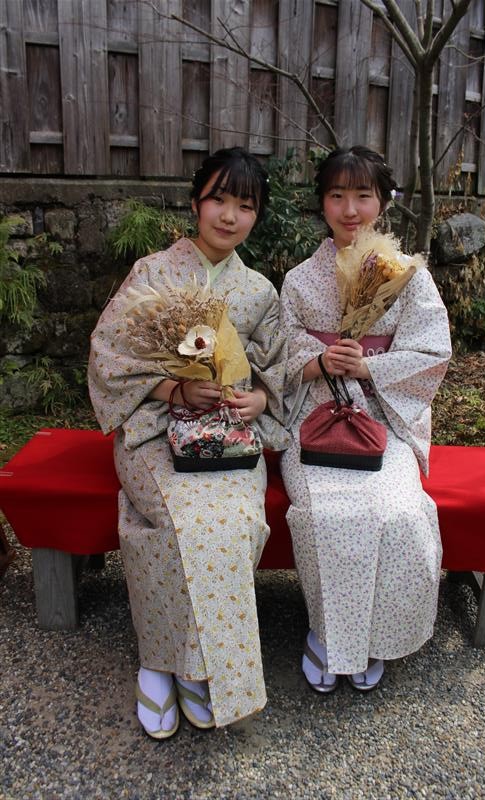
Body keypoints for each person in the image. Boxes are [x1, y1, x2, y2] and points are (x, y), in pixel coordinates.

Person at [88, 147, 288, 738]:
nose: (229, 215)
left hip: (228, 435)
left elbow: (277, 372)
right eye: (218, 199)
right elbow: (109, 354)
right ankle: (159, 663)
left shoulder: (259, 292)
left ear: (256, 216)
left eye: (244, 205)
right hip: (154, 430)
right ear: (196, 201)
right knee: (181, 521)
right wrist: (172, 388)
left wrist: (259, 401)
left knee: (234, 522)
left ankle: (198, 668)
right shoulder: (153, 273)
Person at [279, 146, 452, 694]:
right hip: (315, 420)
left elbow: (432, 353)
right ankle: (329, 635)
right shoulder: (299, 280)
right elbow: (277, 354)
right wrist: (317, 361)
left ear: (383, 202)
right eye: (337, 195)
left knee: (398, 512)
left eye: (362, 195)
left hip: (383, 420)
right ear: (322, 202)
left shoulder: (408, 277)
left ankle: (371, 637)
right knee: (322, 511)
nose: (350, 209)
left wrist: (370, 366)